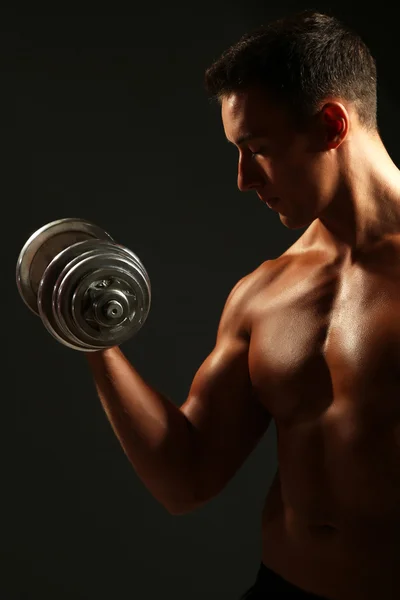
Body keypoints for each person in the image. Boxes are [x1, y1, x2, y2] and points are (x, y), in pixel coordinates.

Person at [86, 9, 400, 599]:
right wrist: (91, 339)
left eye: (257, 147)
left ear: (333, 124)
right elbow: (186, 479)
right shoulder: (265, 291)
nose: (242, 179)